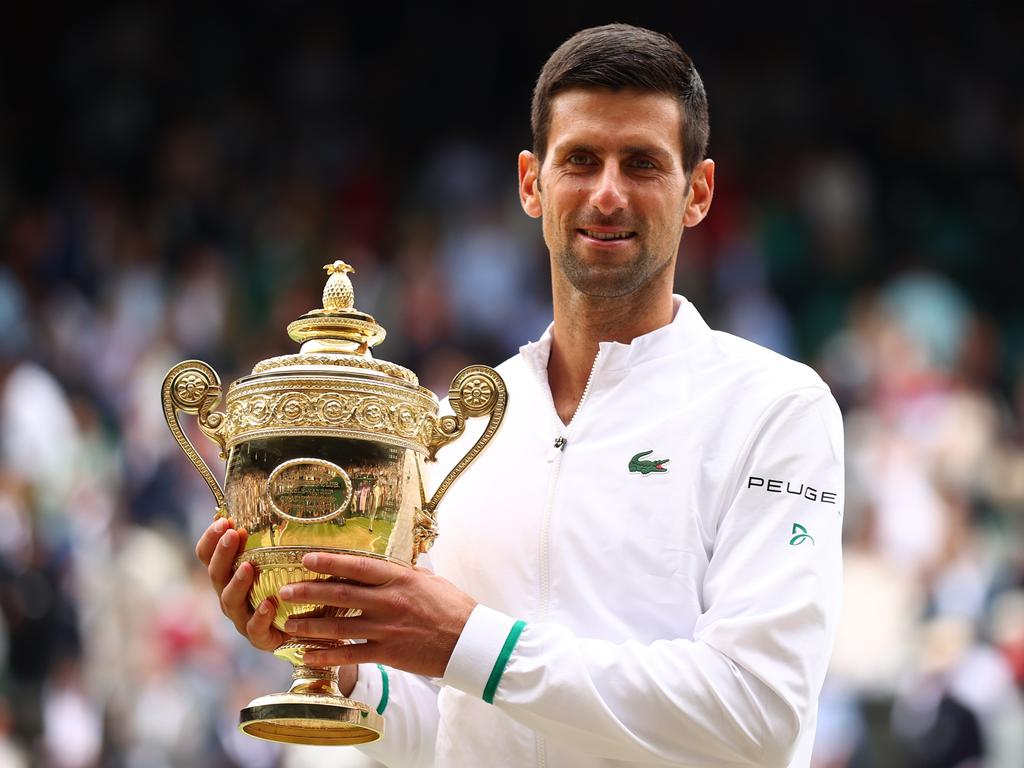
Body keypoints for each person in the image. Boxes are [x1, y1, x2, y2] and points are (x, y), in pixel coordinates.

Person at [196, 23, 844, 768]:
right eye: (580, 160)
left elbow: (759, 718)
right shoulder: (463, 422)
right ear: (532, 184)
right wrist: (338, 665)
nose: (607, 193)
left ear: (696, 193)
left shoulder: (776, 408)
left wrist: (468, 640)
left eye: (641, 164)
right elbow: (447, 732)